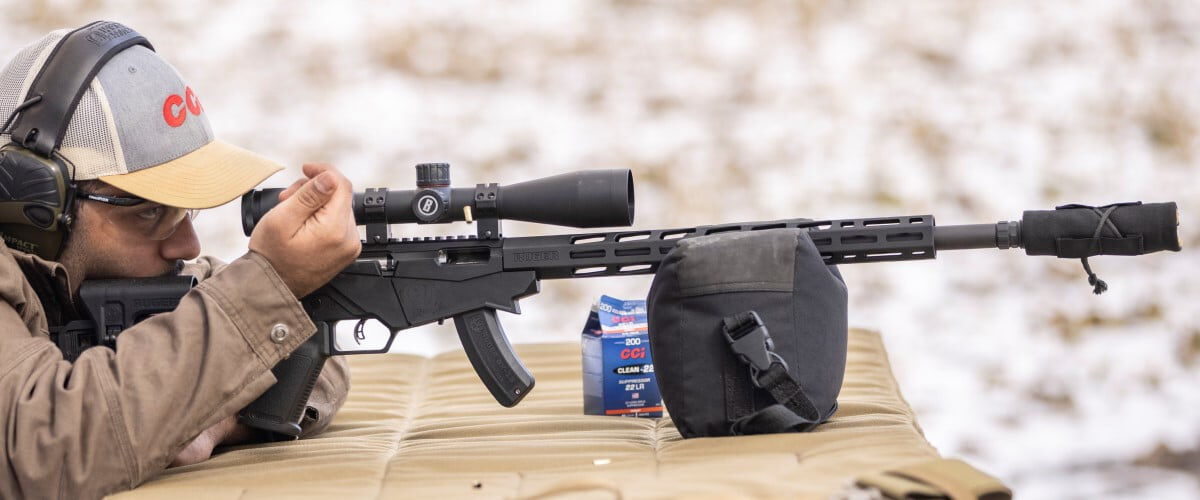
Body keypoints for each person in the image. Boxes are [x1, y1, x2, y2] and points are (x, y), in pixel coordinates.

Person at [0, 23, 361, 498]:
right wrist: (265, 287)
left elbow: (308, 348)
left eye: (183, 210)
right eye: (149, 212)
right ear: (35, 206)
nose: (187, 245)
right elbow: (42, 446)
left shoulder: (105, 277)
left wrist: (214, 420)